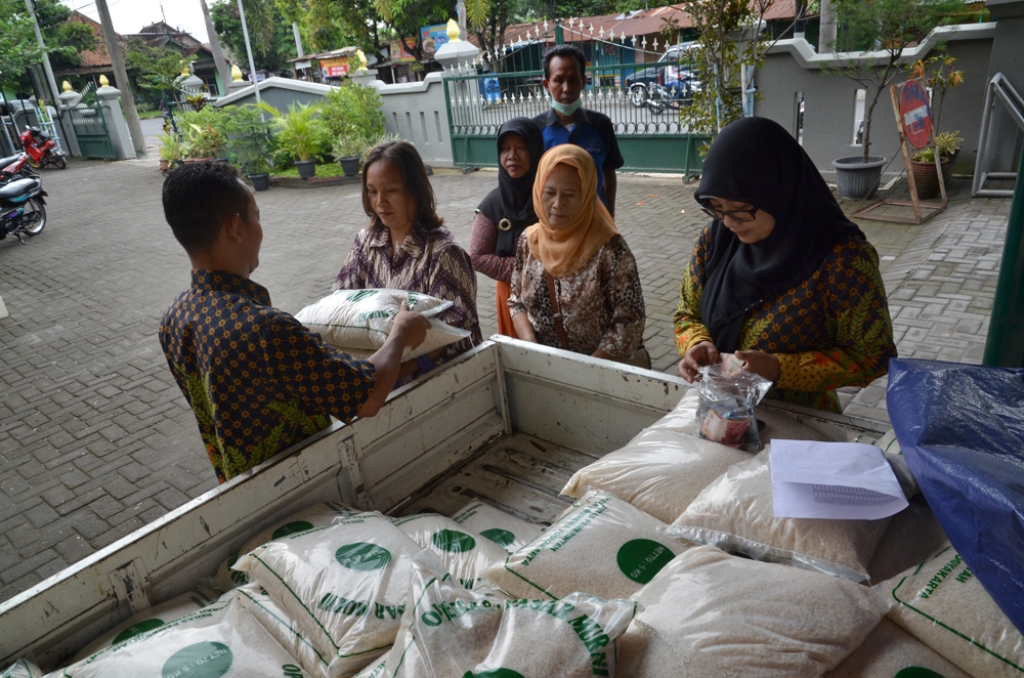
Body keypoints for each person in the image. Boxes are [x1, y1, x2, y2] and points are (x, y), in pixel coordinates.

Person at [159, 162, 430, 483]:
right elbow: (366, 396)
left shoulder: (175, 319)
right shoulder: (266, 330)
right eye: (256, 216)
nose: (260, 228)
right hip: (303, 489)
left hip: (239, 491)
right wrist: (399, 332)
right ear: (234, 227)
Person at [674, 117, 897, 413]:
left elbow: (874, 356)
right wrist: (695, 345)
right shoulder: (716, 241)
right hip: (720, 414)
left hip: (801, 427)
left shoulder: (843, 259)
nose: (727, 222)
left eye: (739, 211)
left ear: (778, 193)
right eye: (716, 209)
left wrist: (781, 368)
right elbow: (686, 313)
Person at [334, 140, 481, 377]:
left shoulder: (443, 254)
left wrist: (391, 375)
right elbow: (341, 305)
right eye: (372, 191)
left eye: (390, 190)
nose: (380, 201)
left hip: (442, 383)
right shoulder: (365, 243)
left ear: (416, 189)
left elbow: (448, 334)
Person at [509, 144, 648, 367]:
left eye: (570, 194)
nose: (557, 204)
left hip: (602, 372)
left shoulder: (610, 248)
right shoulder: (529, 240)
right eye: (550, 192)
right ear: (537, 191)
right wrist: (531, 347)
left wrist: (583, 371)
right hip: (546, 367)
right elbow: (516, 301)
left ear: (587, 195)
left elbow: (629, 322)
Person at [470, 117, 545, 338]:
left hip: (557, 291)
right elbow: (476, 256)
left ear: (535, 150)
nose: (512, 156)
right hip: (512, 294)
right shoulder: (493, 204)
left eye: (521, 147)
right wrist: (531, 268)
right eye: (505, 149)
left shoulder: (551, 196)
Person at [533, 44, 624, 216]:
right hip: (553, 224)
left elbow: (609, 173)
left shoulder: (600, 125)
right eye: (558, 80)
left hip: (594, 222)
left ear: (583, 81)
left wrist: (609, 216)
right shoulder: (535, 129)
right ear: (547, 85)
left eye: (573, 80)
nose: (566, 88)